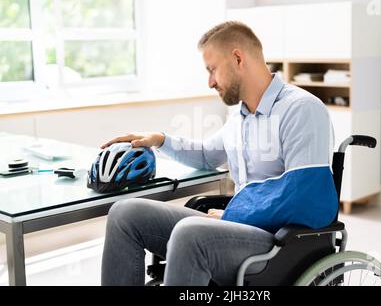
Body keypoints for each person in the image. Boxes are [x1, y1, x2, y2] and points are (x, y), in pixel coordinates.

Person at [100, 21, 335, 286]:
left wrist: (235, 214)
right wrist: (160, 140)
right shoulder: (239, 119)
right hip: (233, 226)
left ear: (237, 58)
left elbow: (306, 198)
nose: (210, 81)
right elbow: (206, 156)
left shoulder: (301, 109)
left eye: (212, 70)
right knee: (124, 214)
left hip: (278, 243)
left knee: (190, 233)